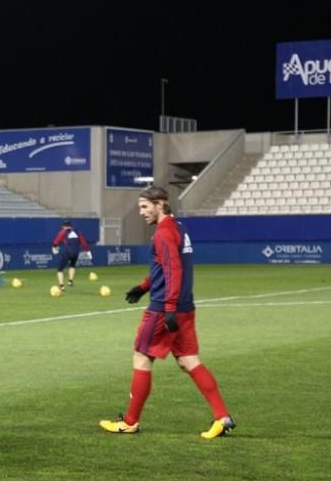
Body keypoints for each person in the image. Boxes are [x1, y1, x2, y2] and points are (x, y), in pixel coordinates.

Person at [100, 186, 236, 439]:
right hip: (186, 307)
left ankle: (130, 422)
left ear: (160, 204)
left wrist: (169, 307)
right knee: (189, 361)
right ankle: (222, 416)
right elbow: (166, 269)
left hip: (164, 308)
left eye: (144, 206)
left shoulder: (163, 233)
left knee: (141, 357)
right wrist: (143, 287)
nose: (141, 213)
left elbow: (173, 269)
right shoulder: (178, 228)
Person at [51, 219, 90, 291]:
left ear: (63, 226)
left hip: (67, 252)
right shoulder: (77, 232)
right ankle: (70, 281)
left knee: (60, 270)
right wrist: (88, 251)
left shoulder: (63, 232)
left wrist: (54, 247)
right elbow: (83, 242)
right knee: (72, 265)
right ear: (70, 226)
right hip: (76, 253)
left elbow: (57, 241)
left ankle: (62, 286)